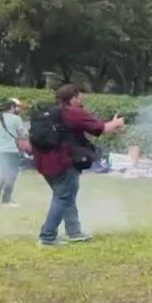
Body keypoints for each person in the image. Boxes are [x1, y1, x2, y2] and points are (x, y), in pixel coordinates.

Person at [31, 85, 125, 246]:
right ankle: (47, 236)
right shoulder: (72, 112)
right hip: (63, 161)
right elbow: (101, 128)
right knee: (62, 197)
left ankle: (74, 232)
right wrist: (117, 123)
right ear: (72, 98)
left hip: (44, 161)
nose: (82, 100)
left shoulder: (51, 113)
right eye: (80, 97)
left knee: (66, 196)